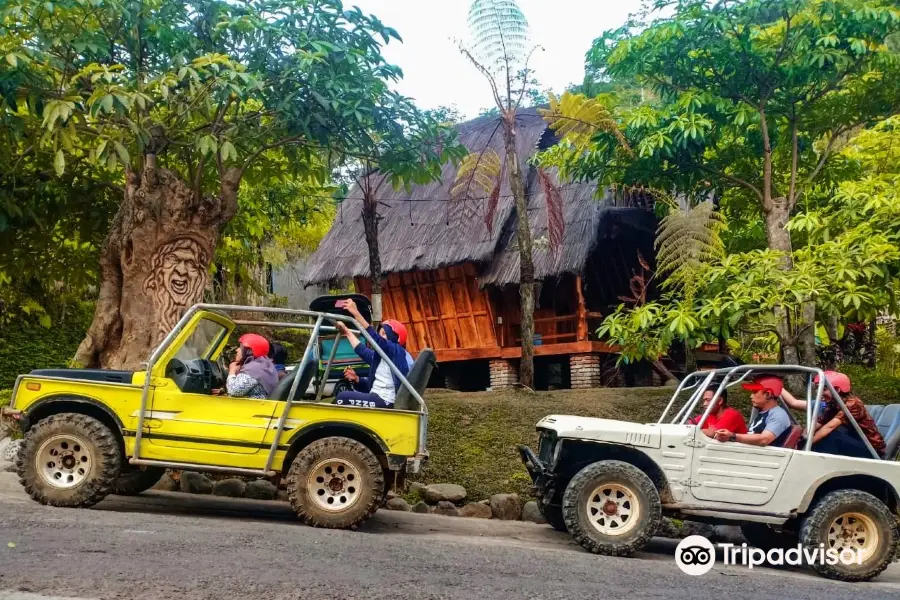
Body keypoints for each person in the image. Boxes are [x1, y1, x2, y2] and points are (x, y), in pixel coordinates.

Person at [781, 371, 884, 459]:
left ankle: (815, 463)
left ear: (837, 390)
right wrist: (802, 437)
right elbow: (818, 423)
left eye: (824, 389)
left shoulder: (853, 403)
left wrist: (807, 444)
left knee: (831, 435)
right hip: (852, 443)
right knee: (819, 435)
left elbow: (830, 426)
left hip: (871, 451)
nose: (820, 393)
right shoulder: (833, 404)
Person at [332, 299, 410, 409]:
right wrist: (346, 332)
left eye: (384, 334)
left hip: (385, 401)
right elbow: (362, 350)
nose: (380, 336)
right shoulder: (380, 356)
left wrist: (356, 313)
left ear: (394, 337)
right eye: (380, 333)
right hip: (376, 397)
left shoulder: (396, 351)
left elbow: (376, 339)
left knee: (342, 397)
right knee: (340, 399)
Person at [713, 375, 792, 447]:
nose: (751, 396)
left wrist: (733, 436)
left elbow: (764, 440)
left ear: (768, 394)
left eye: (755, 392)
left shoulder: (778, 415)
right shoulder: (763, 413)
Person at [223, 333, 278, 399]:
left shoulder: (254, 368)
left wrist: (232, 370)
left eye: (241, 347)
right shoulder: (263, 364)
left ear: (249, 351)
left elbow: (234, 391)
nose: (237, 350)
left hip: (255, 407)